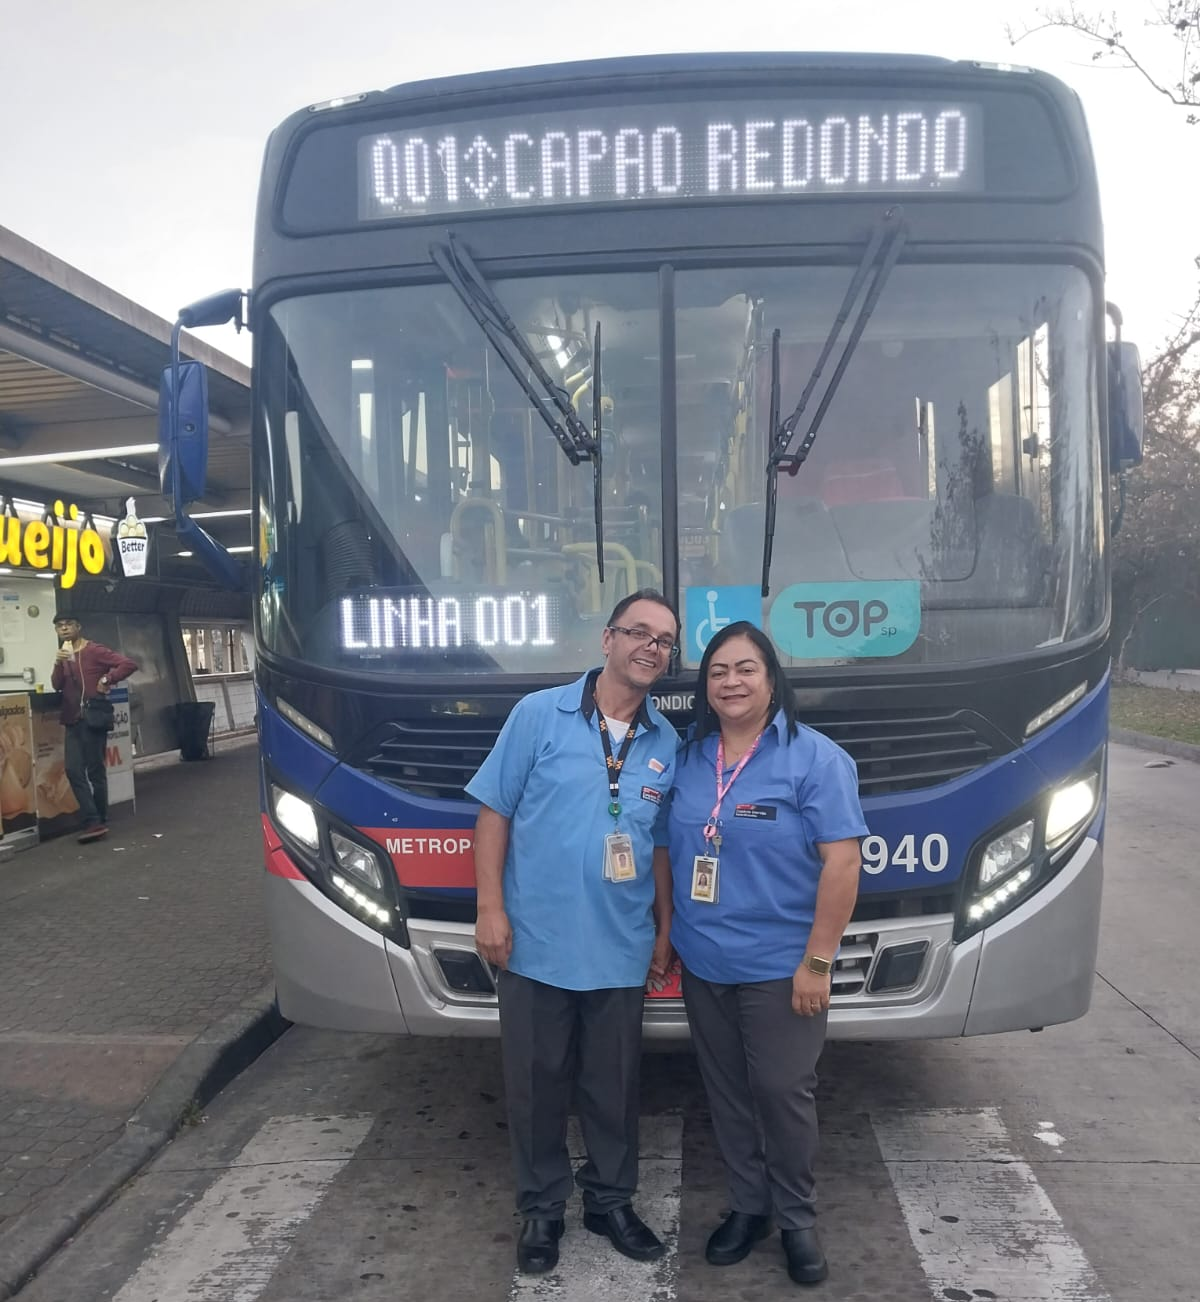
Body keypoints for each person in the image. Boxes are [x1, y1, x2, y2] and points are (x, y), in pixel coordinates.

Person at [466, 590, 681, 1276]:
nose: (651, 647)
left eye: (665, 641)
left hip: (619, 946)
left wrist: (663, 930)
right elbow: (493, 813)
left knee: (612, 1086)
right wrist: (490, 909)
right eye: (638, 633)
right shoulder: (539, 715)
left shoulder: (665, 742)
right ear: (608, 640)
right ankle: (541, 1208)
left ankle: (610, 1201)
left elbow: (659, 848)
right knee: (535, 1083)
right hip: (536, 942)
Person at [653, 621, 866, 1287]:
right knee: (728, 1093)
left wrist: (819, 963)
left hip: (782, 966)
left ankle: (796, 1218)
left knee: (781, 1092)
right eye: (718, 672)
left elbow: (843, 862)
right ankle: (748, 1207)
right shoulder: (690, 760)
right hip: (705, 962)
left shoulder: (815, 759)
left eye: (745, 669)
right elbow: (665, 851)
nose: (731, 682)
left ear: (771, 679)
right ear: (704, 687)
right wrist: (665, 934)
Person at [50, 614, 138, 843]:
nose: (65, 628)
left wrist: (108, 679)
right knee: (73, 770)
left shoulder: (94, 651)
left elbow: (128, 664)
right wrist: (58, 663)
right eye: (60, 626)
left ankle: (99, 817)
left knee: (95, 771)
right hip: (72, 719)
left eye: (69, 624)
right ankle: (93, 819)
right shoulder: (64, 655)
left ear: (79, 626)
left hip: (93, 717)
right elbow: (56, 685)